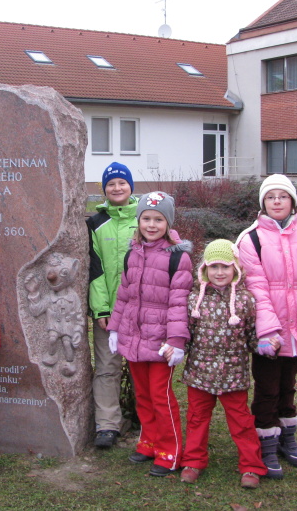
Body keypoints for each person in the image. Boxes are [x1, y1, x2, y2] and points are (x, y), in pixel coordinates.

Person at [235, 174, 297, 478]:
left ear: (292, 201)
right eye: (270, 197)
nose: (277, 202)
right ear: (263, 202)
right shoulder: (250, 239)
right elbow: (256, 288)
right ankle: (265, 439)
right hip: (268, 329)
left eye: (283, 196)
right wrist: (267, 331)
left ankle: (286, 435)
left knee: (288, 383)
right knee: (267, 386)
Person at [108, 191, 193, 477]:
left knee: (160, 396)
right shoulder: (132, 253)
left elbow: (179, 303)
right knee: (143, 395)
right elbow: (124, 295)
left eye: (158, 219)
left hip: (161, 342)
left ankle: (170, 450)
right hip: (134, 336)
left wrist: (176, 341)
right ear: (139, 221)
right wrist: (115, 328)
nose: (152, 225)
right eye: (146, 219)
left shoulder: (177, 257)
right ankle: (149, 441)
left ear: (168, 223)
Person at [180, 239, 268, 488]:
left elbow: (251, 335)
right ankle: (193, 461)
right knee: (197, 418)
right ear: (205, 269)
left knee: (241, 421)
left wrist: (265, 345)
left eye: (225, 267)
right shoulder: (194, 300)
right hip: (199, 373)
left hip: (233, 373)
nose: (220, 272)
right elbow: (188, 334)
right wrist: (175, 347)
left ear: (235, 269)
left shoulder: (245, 300)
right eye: (214, 267)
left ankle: (251, 466)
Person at [86, 162, 138, 449]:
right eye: (111, 184)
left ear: (131, 186)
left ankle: (147, 416)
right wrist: (101, 309)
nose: (117, 188)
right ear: (104, 190)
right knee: (107, 367)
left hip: (142, 311)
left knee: (144, 367)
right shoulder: (95, 223)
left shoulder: (145, 218)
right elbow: (95, 270)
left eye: (122, 182)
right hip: (109, 311)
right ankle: (107, 424)